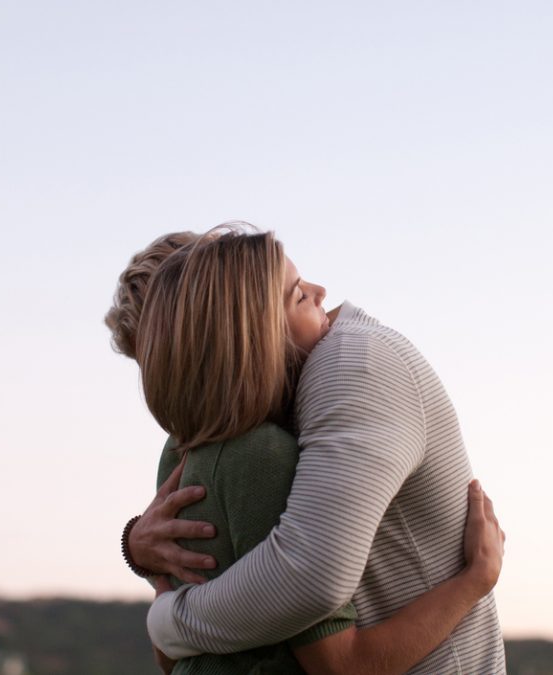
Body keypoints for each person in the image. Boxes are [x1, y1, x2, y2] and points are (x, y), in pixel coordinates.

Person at [115, 225, 507, 673]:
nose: (323, 292)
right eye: (297, 293)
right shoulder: (246, 449)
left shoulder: (348, 369)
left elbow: (301, 581)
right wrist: (475, 580)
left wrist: (166, 618)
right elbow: (331, 639)